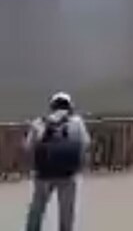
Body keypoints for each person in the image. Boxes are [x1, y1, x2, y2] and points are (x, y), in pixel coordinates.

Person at [24, 92, 91, 231]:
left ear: (52, 106)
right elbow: (85, 143)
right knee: (67, 210)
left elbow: (28, 146)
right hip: (68, 174)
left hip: (44, 174)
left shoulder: (39, 122)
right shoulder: (77, 122)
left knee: (38, 208)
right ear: (69, 106)